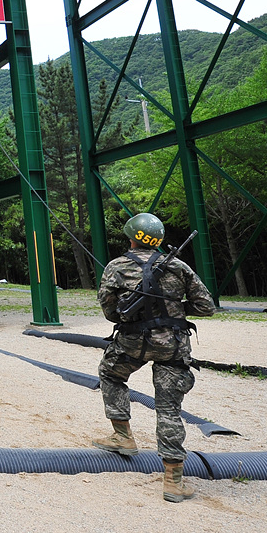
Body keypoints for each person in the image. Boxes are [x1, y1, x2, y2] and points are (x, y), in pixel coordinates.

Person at [92, 212, 215, 503]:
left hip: (132, 342)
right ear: (158, 240)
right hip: (172, 345)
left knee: (111, 373)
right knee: (169, 408)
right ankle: (173, 481)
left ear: (131, 237)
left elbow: (111, 311)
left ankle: (123, 436)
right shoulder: (179, 266)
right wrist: (175, 308)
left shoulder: (116, 266)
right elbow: (206, 306)